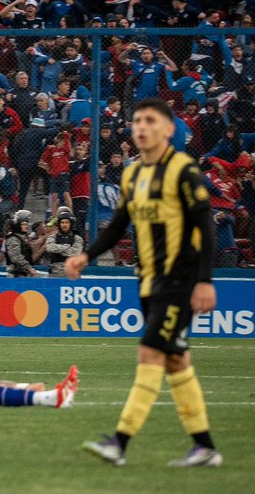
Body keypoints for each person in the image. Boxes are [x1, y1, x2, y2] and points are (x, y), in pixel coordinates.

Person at [66, 97, 221, 468]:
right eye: (137, 121)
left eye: (150, 120)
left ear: (168, 129)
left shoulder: (183, 170)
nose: (141, 127)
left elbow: (206, 225)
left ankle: (119, 442)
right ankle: (205, 447)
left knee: (149, 352)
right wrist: (86, 256)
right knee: (176, 362)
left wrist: (204, 281)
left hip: (180, 281)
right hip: (148, 281)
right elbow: (120, 223)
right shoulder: (133, 175)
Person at [4, 209, 46, 275]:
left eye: (26, 224)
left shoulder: (23, 237)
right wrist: (29, 268)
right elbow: (15, 257)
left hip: (24, 272)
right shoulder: (13, 238)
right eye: (23, 224)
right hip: (16, 273)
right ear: (17, 225)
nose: (26, 226)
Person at [44, 207, 84, 274]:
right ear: (59, 224)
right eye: (62, 223)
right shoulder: (52, 237)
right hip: (56, 270)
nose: (64, 225)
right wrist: (66, 246)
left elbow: (75, 253)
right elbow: (49, 248)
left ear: (70, 224)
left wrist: (59, 249)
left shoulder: (77, 238)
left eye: (67, 222)